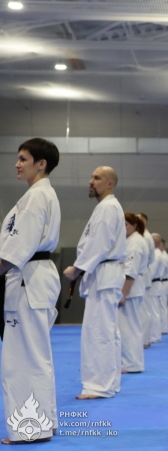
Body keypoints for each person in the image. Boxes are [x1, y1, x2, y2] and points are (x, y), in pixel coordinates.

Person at [0, 138, 61, 444]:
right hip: (31, 279)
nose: (17, 164)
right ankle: (44, 423)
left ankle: (31, 428)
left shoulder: (37, 197)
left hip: (28, 279)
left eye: (23, 158)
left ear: (41, 163)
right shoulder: (38, 195)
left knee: (22, 359)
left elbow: (15, 251)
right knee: (35, 355)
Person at [63, 166, 126, 400]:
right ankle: (110, 383)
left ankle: (99, 386)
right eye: (91, 177)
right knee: (107, 331)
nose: (91, 181)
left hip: (104, 273)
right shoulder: (106, 207)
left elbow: (99, 243)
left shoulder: (108, 207)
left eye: (97, 178)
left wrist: (78, 268)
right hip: (104, 273)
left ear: (110, 184)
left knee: (99, 332)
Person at [119, 212, 148, 374]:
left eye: (126, 225)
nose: (123, 228)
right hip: (132, 287)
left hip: (130, 288)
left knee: (128, 327)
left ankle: (131, 363)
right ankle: (132, 362)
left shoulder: (135, 243)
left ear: (134, 226)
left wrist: (123, 293)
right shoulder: (131, 240)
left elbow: (130, 271)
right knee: (129, 326)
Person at [137, 213, 156, 349]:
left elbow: (151, 258)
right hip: (142, 274)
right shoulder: (141, 236)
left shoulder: (146, 236)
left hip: (142, 273)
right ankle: (145, 338)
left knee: (143, 310)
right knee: (142, 310)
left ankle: (144, 340)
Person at [148, 234, 165, 345]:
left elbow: (152, 271)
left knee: (153, 311)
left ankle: (154, 336)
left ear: (157, 243)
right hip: (155, 283)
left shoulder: (156, 254)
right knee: (155, 310)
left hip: (153, 283)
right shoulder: (158, 254)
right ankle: (155, 334)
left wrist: (145, 281)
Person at [159, 237, 168, 334]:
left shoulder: (163, 257)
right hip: (164, 282)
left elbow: (160, 272)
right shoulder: (165, 256)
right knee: (163, 306)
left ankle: (163, 328)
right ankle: (163, 327)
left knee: (162, 306)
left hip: (162, 282)